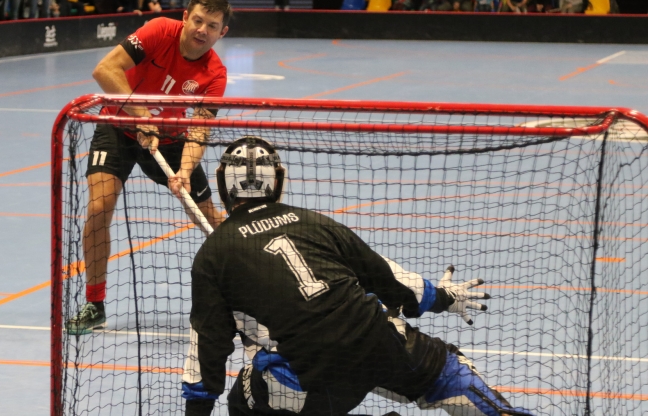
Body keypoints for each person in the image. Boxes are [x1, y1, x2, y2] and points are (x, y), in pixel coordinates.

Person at [181, 136, 535, 416]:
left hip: (304, 378)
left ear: (223, 187)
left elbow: (206, 349)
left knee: (243, 401)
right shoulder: (316, 223)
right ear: (278, 182)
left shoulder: (212, 256)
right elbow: (392, 281)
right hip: (375, 343)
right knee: (447, 371)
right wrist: (444, 298)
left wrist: (197, 409)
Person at [66, 0, 232, 335]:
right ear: (185, 17)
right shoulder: (158, 31)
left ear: (222, 32)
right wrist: (142, 116)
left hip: (170, 142)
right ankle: (95, 305)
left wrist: (184, 172)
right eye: (198, 20)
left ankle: (248, 293)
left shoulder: (215, 74)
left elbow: (199, 131)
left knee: (208, 218)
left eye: (212, 26)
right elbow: (105, 69)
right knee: (99, 207)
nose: (202, 30)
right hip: (118, 126)